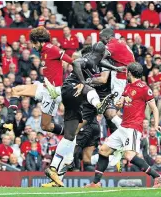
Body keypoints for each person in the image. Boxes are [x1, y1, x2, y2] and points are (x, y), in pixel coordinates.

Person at [42, 42, 120, 187]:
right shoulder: (89, 61)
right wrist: (84, 82)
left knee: (70, 136)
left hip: (79, 103)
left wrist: (115, 68)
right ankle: (97, 104)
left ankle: (55, 170)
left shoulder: (99, 63)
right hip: (78, 96)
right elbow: (77, 63)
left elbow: (102, 69)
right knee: (87, 89)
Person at [85, 62, 161, 188]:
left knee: (129, 155)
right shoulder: (128, 87)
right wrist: (118, 104)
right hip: (123, 127)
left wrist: (155, 126)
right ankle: (96, 183)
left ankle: (158, 177)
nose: (126, 74)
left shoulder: (144, 88)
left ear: (130, 73)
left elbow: (154, 108)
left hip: (133, 128)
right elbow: (121, 103)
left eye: (127, 72)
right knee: (103, 150)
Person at [99, 28, 135, 101]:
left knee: (116, 103)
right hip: (130, 75)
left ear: (106, 37)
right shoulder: (122, 43)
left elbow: (100, 58)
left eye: (101, 37)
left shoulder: (111, 45)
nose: (100, 40)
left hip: (120, 76)